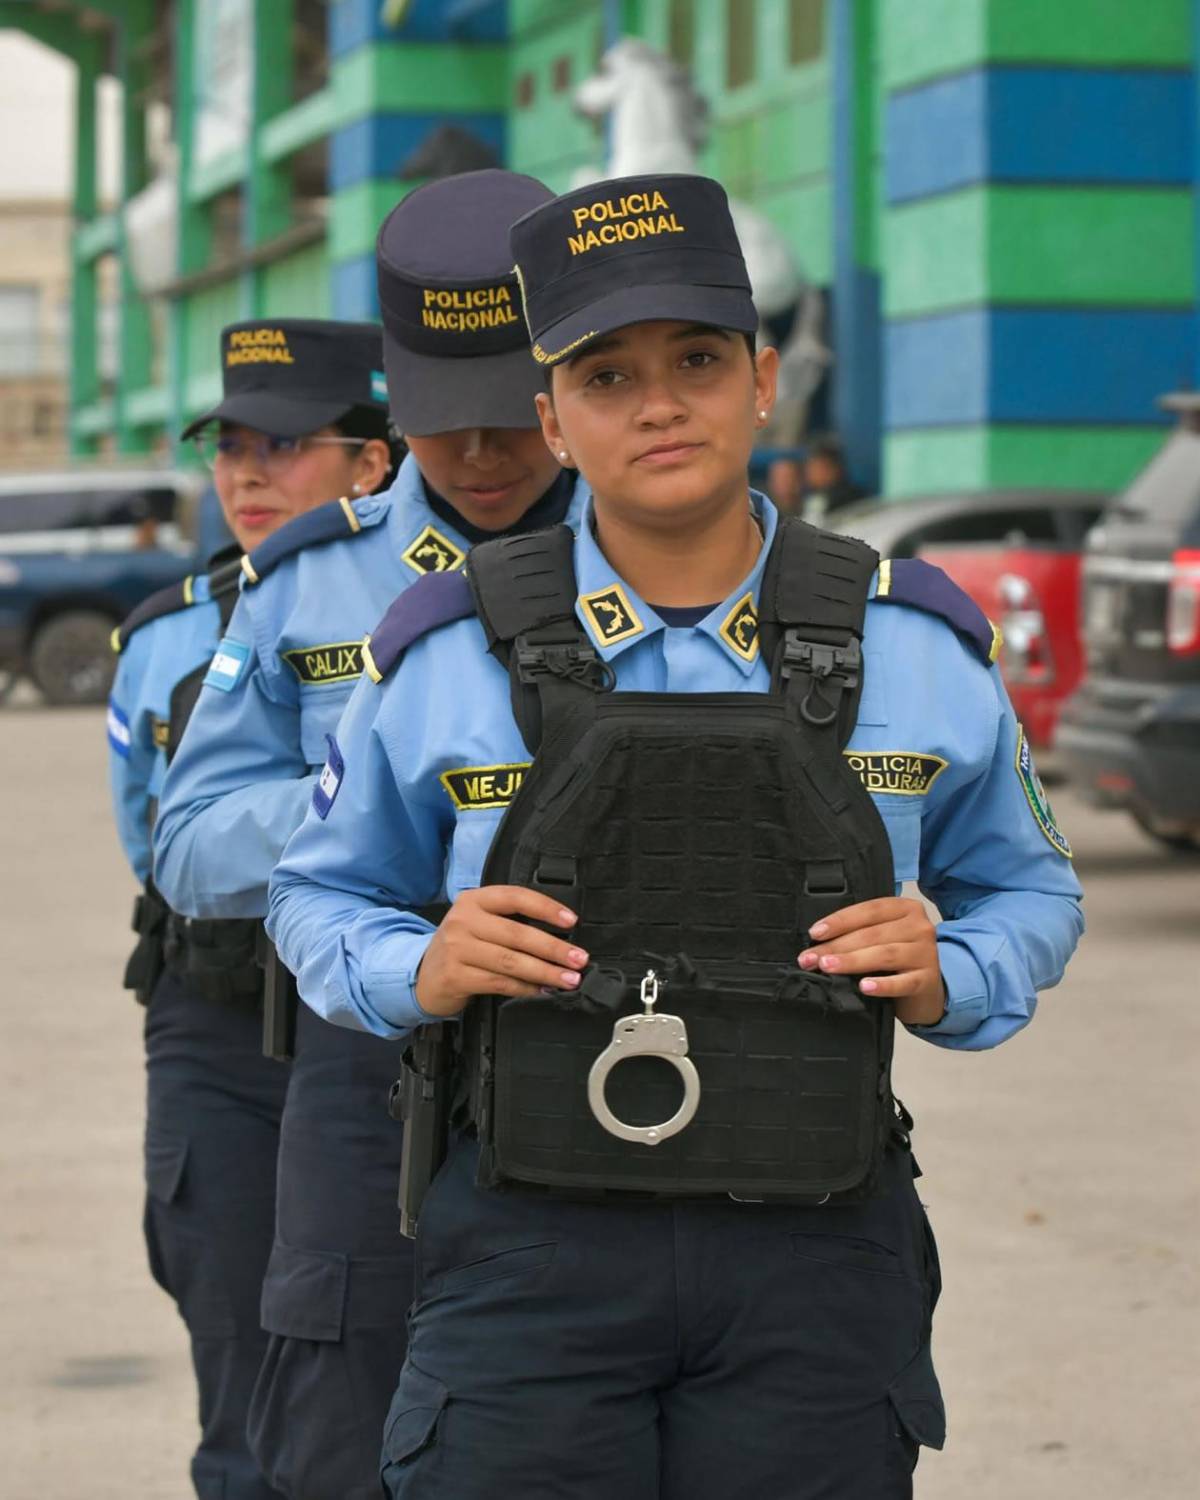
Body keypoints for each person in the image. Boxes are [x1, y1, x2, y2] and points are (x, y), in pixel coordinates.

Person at [266, 172, 1083, 1498]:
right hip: (531, 1255)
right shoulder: (448, 650)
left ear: (762, 382)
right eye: (605, 374)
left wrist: (958, 968)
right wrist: (420, 965)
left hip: (815, 1255)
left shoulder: (911, 644)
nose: (658, 402)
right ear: (553, 418)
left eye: (697, 359)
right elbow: (316, 895)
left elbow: (1033, 889)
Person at [153, 170, 587, 1500]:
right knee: (337, 1435)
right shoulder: (309, 579)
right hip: (371, 1067)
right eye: (443, 421)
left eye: (510, 414)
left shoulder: (659, 553)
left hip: (591, 1051)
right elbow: (190, 842)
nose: (480, 454)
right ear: (395, 402)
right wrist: (377, 801)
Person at [106, 315, 394, 1500]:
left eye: (282, 445)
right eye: (228, 448)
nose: (245, 474)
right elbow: (154, 839)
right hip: (220, 1027)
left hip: (382, 1023)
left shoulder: (436, 606)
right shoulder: (162, 637)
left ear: (373, 462)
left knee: (379, 1367)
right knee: (235, 1358)